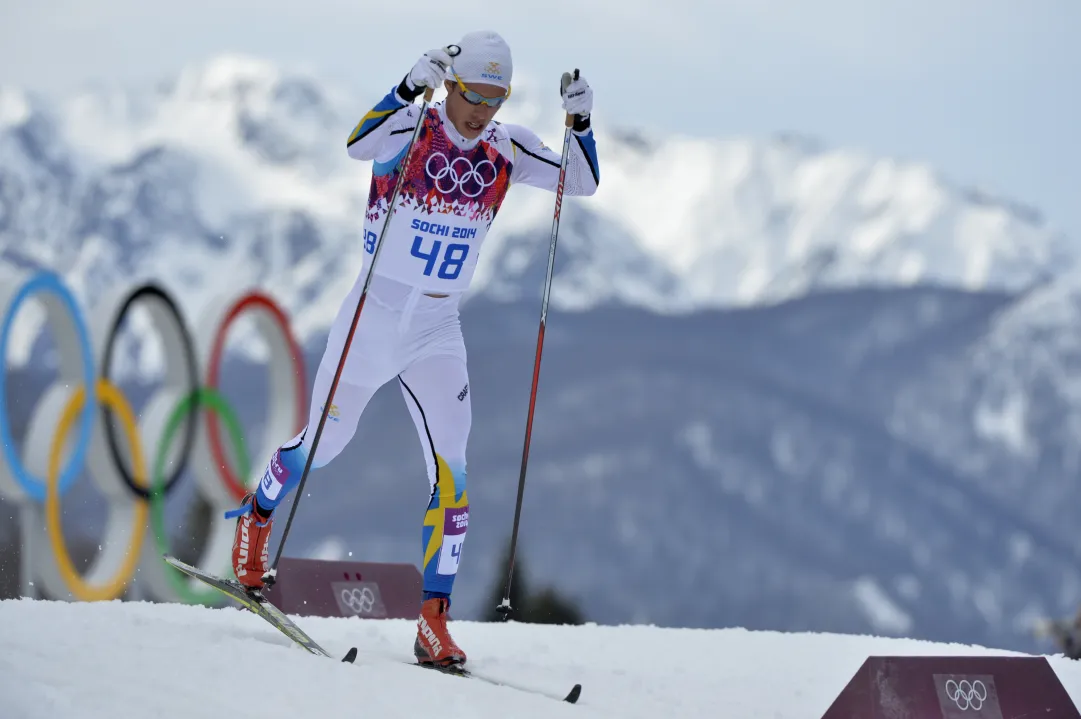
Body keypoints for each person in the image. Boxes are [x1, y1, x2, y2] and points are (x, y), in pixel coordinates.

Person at [225, 29, 599, 668]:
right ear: (451, 85)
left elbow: (581, 183)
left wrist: (582, 122)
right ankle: (257, 516)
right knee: (323, 444)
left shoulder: (507, 147)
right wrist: (405, 87)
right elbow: (357, 144)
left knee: (452, 472)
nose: (484, 109)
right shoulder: (412, 127)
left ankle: (433, 621)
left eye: (497, 96)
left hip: (435, 327)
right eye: (475, 93)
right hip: (372, 317)